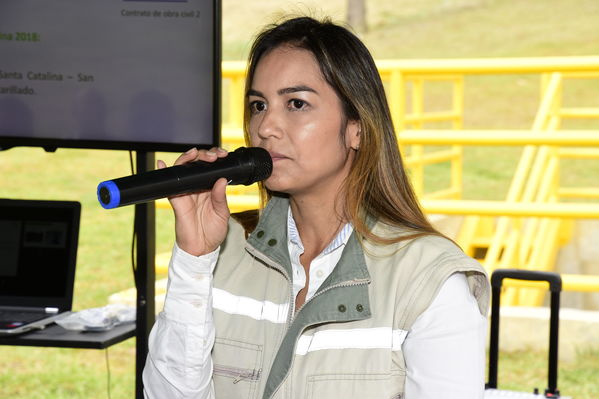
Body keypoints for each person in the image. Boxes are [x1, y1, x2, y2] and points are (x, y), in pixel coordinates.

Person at [143, 16, 490, 399]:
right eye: (258, 105)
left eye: (296, 103)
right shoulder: (224, 254)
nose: (266, 127)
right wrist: (194, 259)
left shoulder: (428, 281)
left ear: (357, 127)